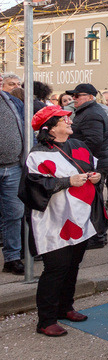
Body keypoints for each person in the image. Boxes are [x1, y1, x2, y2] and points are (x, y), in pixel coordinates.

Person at [20, 106, 104, 336]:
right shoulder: (37, 154)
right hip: (53, 221)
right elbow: (33, 188)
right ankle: (45, 320)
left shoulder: (78, 145)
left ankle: (65, 307)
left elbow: (93, 169)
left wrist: (96, 177)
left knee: (73, 266)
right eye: (63, 119)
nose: (69, 120)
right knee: (56, 268)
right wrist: (67, 182)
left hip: (80, 217)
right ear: (50, 127)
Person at [70, 83, 108, 247]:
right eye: (73, 95)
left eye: (77, 95)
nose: (74, 98)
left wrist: (75, 157)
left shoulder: (91, 113)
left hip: (94, 163)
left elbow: (93, 142)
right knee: (92, 199)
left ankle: (98, 236)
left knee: (93, 200)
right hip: (92, 162)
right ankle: (96, 235)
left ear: (90, 97)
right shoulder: (87, 112)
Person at [0, 76, 26, 274]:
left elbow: (26, 127)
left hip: (13, 166)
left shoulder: (12, 101)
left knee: (14, 213)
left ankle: (12, 257)